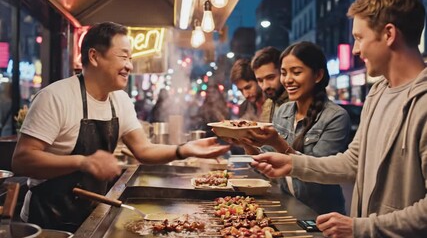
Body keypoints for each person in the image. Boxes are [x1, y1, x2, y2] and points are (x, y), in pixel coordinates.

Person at [12, 21, 229, 232]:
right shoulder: (55, 97)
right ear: (94, 56)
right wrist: (83, 162)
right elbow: (22, 161)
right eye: (123, 56)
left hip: (91, 215)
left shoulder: (120, 100)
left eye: (131, 58)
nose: (129, 65)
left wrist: (184, 150)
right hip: (48, 221)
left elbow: (144, 150)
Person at [251, 0, 427, 237]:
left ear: (388, 34)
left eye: (359, 37)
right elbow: (353, 162)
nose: (355, 49)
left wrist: (360, 227)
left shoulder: (423, 103)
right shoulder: (377, 93)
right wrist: (293, 164)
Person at [237, 42, 351, 215]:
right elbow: (266, 164)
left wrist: (278, 142)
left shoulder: (335, 117)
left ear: (318, 75)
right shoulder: (283, 111)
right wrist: (244, 141)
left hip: (320, 216)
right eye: (283, 73)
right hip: (288, 205)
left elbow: (318, 175)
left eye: (296, 72)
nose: (287, 80)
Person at [251, 46, 289, 122]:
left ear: (283, 73)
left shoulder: (299, 103)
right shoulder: (268, 105)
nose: (265, 86)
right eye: (260, 80)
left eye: (270, 78)